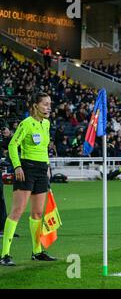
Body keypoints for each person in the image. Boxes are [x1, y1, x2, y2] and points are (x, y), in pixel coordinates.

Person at [1, 93, 56, 266]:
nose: (49, 107)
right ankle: (4, 255)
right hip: (27, 169)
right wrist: (17, 166)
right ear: (35, 105)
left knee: (38, 213)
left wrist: (47, 167)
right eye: (45, 104)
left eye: (50, 104)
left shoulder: (46, 124)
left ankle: (37, 251)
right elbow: (12, 145)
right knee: (17, 211)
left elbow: (44, 148)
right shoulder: (26, 124)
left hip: (41, 170)